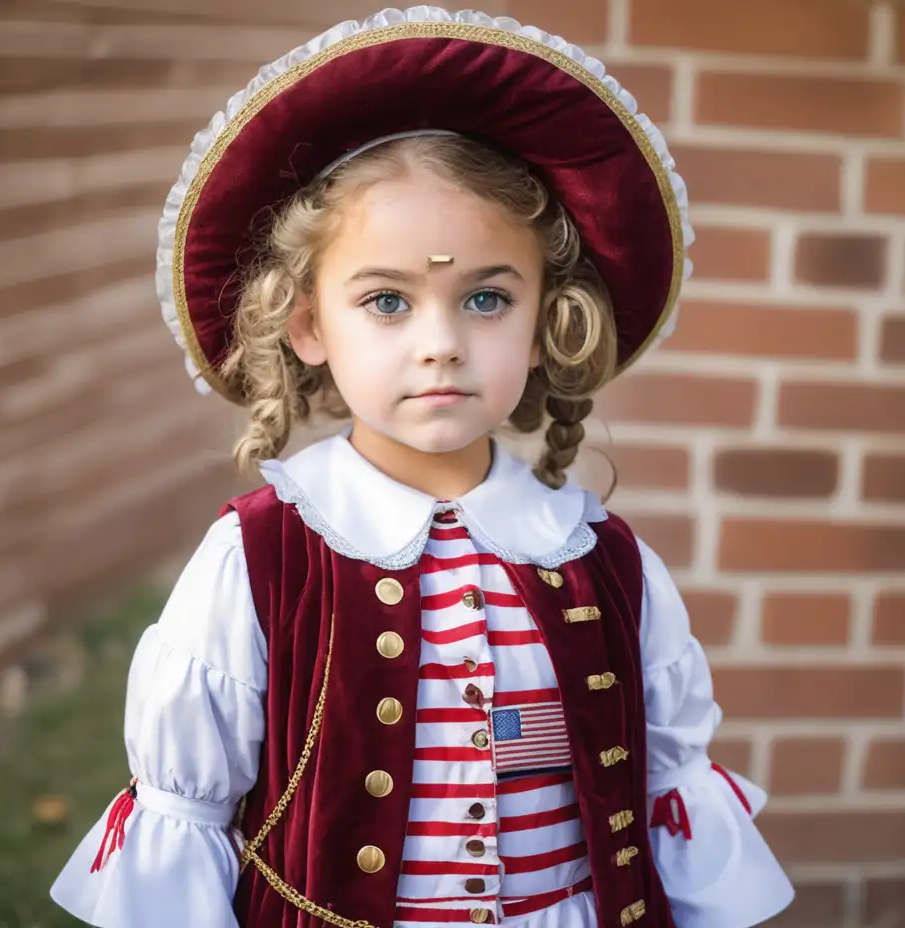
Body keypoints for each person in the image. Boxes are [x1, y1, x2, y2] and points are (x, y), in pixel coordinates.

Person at [50, 8, 795, 927]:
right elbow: (186, 815)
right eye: (388, 301)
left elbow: (666, 785)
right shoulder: (260, 558)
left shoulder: (610, 562)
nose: (441, 345)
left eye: (486, 297)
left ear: (543, 321)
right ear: (309, 325)